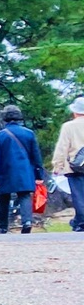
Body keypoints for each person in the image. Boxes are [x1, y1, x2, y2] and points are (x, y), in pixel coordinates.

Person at [0, 105, 44, 233]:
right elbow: (36, 156)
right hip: (25, 171)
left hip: (5, 171)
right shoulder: (29, 133)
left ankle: (3, 227)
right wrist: (39, 175)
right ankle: (27, 222)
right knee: (24, 195)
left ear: (5, 118)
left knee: (4, 198)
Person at [54, 96, 84, 233]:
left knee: (78, 196)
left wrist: (57, 165)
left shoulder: (68, 126)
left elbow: (62, 147)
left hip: (75, 166)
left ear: (75, 111)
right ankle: (78, 221)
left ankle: (81, 222)